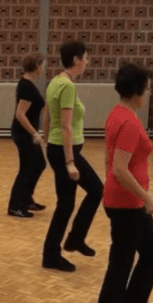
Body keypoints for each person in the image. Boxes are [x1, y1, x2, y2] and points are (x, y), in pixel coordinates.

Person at [92, 63, 153, 303]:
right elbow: (120, 168)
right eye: (146, 89)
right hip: (127, 203)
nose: (147, 94)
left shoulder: (117, 113)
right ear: (137, 92)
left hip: (125, 200)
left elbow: (109, 160)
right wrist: (147, 198)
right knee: (121, 260)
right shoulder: (130, 122)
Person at [41, 41, 103, 272]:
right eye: (85, 57)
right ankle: (64, 246)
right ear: (76, 60)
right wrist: (69, 162)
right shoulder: (67, 86)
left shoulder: (55, 81)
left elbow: (46, 116)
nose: (87, 61)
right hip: (66, 152)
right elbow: (66, 126)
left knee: (67, 203)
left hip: (57, 148)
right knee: (94, 191)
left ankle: (65, 244)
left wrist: (48, 140)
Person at [7, 53, 48, 218]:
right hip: (24, 134)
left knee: (38, 164)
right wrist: (34, 133)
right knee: (28, 168)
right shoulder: (27, 86)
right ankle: (15, 206)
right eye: (42, 65)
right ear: (37, 66)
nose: (43, 68)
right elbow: (20, 114)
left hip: (24, 133)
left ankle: (26, 199)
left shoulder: (27, 84)